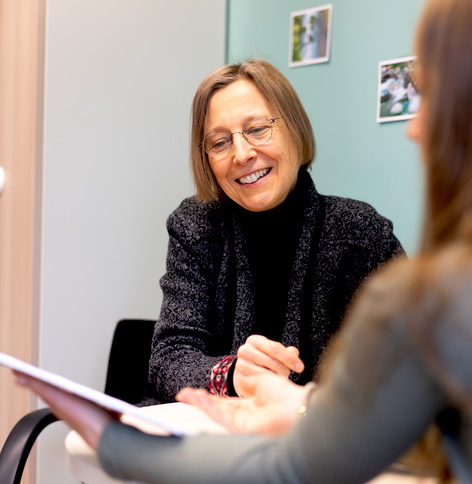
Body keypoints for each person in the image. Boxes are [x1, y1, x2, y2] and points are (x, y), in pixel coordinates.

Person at [18, 0, 472, 484]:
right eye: (219, 141)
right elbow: (445, 416)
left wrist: (107, 436)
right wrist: (304, 404)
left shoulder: (417, 287)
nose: (413, 125)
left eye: (430, 95)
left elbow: (303, 471)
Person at [143, 59, 403, 404]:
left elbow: (408, 368)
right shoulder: (196, 225)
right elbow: (168, 359)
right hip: (215, 441)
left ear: (294, 129)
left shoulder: (360, 233)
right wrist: (233, 375)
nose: (242, 154)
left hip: (323, 445)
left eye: (257, 129)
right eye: (219, 143)